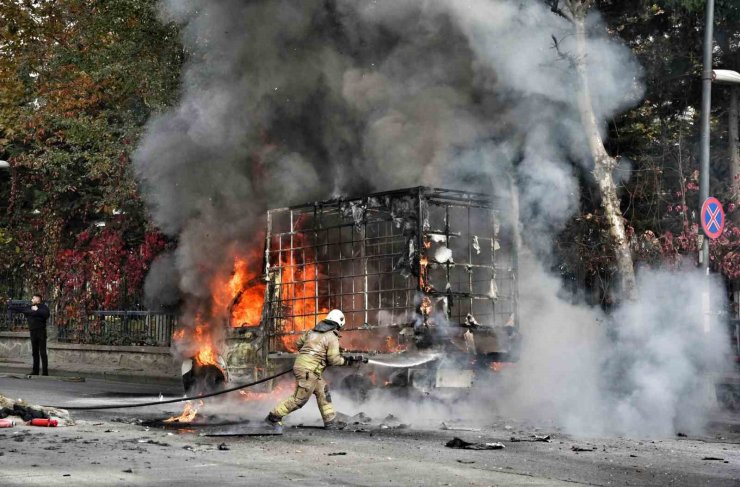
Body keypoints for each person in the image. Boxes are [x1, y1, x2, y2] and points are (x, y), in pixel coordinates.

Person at [266, 309, 366, 430]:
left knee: (323, 391)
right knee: (299, 399)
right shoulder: (332, 336)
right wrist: (348, 361)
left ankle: (330, 422)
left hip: (308, 369)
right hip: (308, 370)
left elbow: (298, 343)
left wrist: (309, 354)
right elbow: (334, 360)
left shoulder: (312, 332)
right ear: (338, 324)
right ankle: (273, 417)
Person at [9, 294, 51, 376]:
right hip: (33, 332)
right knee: (34, 352)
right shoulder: (30, 307)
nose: (32, 299)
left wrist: (37, 311)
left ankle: (45, 372)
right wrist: (10, 306)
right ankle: (35, 371)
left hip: (41, 331)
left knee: (42, 352)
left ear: (38, 299)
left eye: (33, 298)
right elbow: (21, 309)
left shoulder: (43, 307)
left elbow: (46, 315)